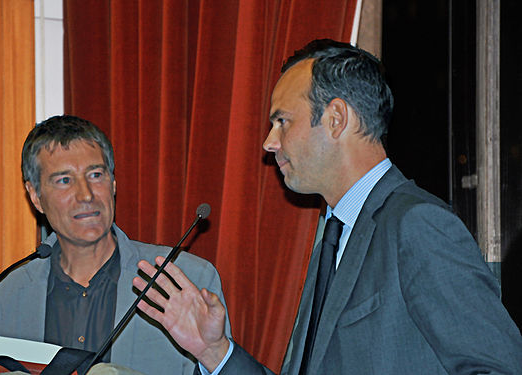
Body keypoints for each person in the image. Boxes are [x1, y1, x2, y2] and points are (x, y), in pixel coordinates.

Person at [132, 39, 522, 374]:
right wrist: (214, 351)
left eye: (282, 121)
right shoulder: (334, 238)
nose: (269, 142)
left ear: (336, 119)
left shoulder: (417, 225)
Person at [0, 115, 232, 374]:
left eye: (96, 175)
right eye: (64, 180)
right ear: (36, 196)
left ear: (113, 183)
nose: (86, 194)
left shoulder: (185, 280)